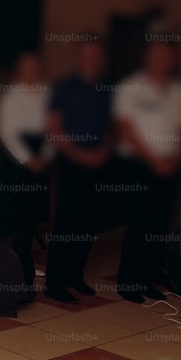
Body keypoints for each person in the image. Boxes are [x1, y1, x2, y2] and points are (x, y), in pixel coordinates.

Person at [113, 40, 181, 303]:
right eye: (156, 55)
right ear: (147, 57)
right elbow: (126, 128)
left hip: (171, 167)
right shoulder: (130, 87)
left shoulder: (180, 91)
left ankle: (146, 280)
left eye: (165, 55)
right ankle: (127, 283)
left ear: (171, 59)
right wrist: (154, 160)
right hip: (139, 166)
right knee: (140, 223)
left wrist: (175, 160)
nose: (161, 60)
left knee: (160, 226)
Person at [44, 37, 113, 304]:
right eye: (86, 54)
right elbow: (54, 127)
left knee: (87, 223)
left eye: (95, 54)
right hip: (70, 164)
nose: (91, 59)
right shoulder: (63, 87)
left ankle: (75, 276)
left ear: (101, 56)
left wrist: (103, 152)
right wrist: (80, 155)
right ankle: (54, 283)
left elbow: (110, 126)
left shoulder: (107, 89)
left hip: (98, 164)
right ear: (78, 55)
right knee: (65, 224)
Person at [0, 52, 53, 292]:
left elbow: (55, 128)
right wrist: (28, 159)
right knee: (10, 221)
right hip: (15, 163)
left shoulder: (48, 94)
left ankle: (25, 276)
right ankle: (4, 275)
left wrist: (45, 156)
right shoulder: (10, 97)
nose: (30, 71)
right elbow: (8, 132)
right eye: (25, 67)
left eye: (34, 67)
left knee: (29, 222)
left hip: (40, 162)